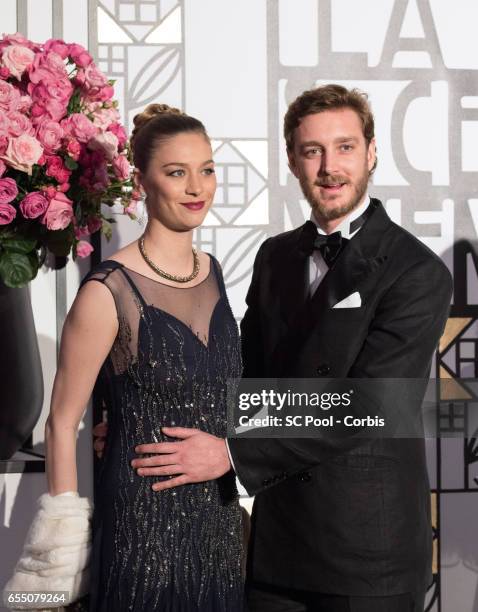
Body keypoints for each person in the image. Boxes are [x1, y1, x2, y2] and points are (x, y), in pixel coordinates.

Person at [96, 85, 453, 611]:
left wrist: (230, 451)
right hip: (277, 544)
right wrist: (141, 415)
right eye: (313, 151)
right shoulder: (276, 256)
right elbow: (243, 373)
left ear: (372, 152)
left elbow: (370, 404)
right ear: (292, 160)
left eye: (346, 147)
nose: (330, 167)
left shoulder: (416, 271)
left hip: (366, 554)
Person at [45, 104, 244, 611]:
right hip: (142, 526)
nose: (197, 187)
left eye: (206, 170)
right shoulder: (108, 291)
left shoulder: (215, 272)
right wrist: (60, 564)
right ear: (142, 183)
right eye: (177, 173)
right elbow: (63, 423)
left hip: (219, 523)